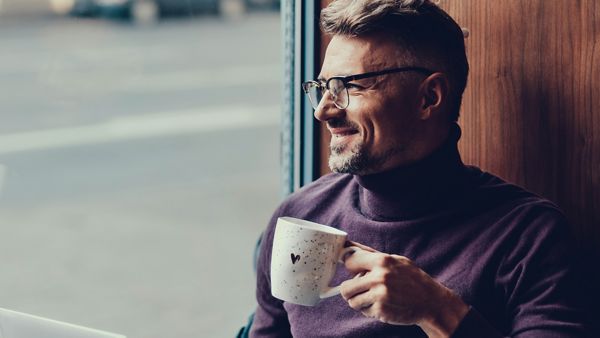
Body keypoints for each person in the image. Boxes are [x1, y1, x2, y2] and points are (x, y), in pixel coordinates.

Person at [250, 0, 590, 337]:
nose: (323, 111)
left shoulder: (527, 236)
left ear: (429, 97)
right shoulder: (302, 215)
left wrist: (437, 310)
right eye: (323, 88)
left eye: (348, 86)